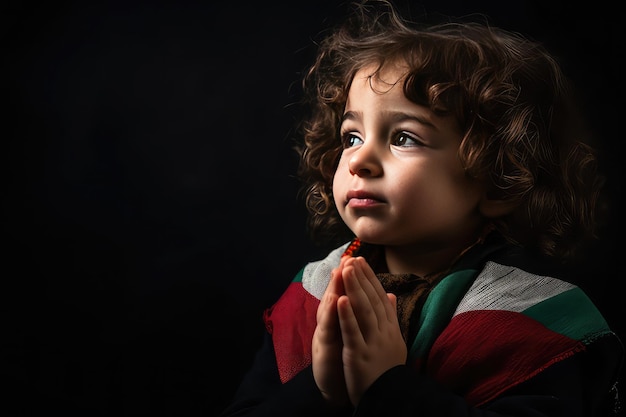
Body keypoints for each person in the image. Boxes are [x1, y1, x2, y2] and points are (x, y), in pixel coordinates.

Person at [219, 1, 624, 415]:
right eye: (352, 136)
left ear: (499, 178)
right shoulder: (311, 293)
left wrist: (386, 386)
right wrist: (321, 390)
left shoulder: (535, 319)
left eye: (404, 138)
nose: (359, 160)